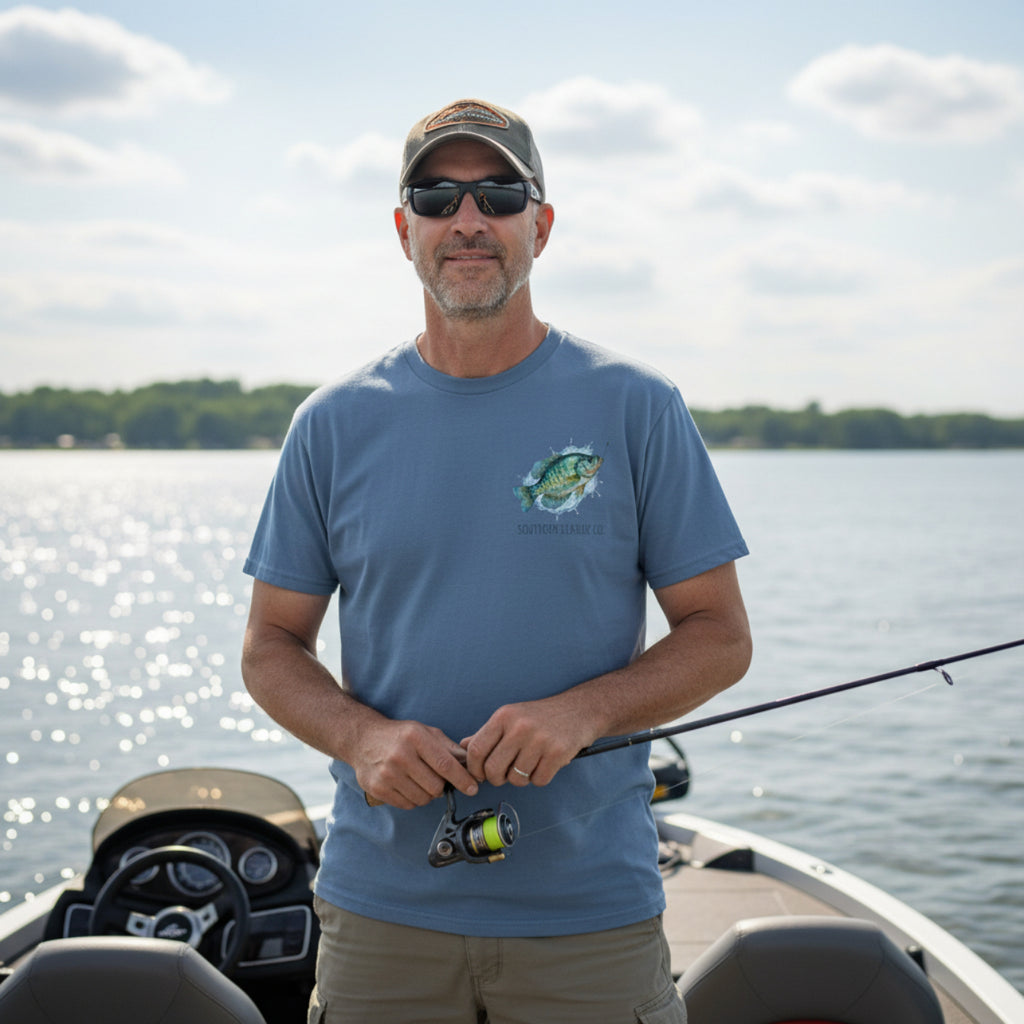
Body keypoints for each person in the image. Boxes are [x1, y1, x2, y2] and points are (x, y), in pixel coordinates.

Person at [242, 98, 752, 1024]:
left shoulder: (638, 405)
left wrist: (584, 711)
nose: (467, 220)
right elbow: (272, 646)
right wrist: (360, 738)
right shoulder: (330, 423)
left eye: (498, 194)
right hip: (379, 912)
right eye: (436, 198)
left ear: (540, 225)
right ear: (405, 232)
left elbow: (720, 636)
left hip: (589, 914)